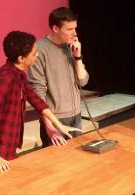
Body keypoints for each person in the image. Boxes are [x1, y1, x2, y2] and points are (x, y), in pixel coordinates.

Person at [0, 31, 81, 173]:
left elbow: (36, 100)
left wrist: (59, 125)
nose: (37, 55)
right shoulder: (5, 78)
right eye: (34, 53)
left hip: (8, 144)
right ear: (21, 58)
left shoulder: (19, 75)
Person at [28, 7, 89, 147]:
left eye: (75, 28)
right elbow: (38, 91)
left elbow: (83, 81)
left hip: (76, 114)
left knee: (77, 161)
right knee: (56, 165)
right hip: (55, 118)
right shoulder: (39, 50)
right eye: (69, 29)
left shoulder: (70, 47)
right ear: (55, 28)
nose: (75, 33)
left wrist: (78, 57)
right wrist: (49, 126)